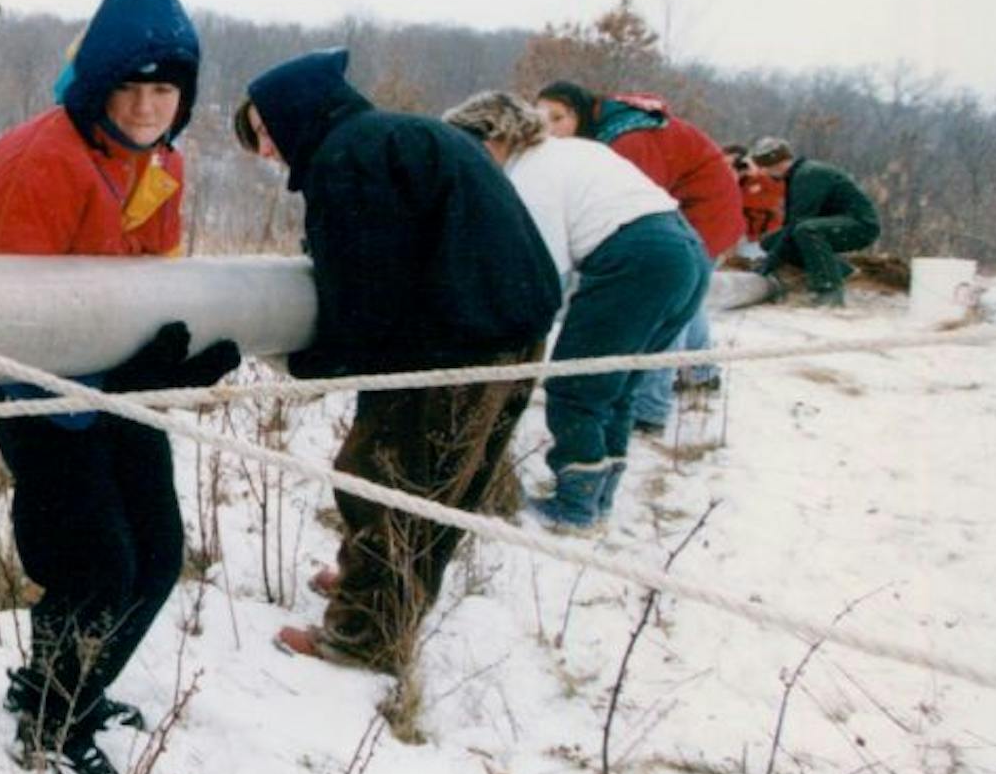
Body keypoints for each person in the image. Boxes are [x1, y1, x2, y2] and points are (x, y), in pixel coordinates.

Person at [0, 0, 238, 774]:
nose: (149, 106)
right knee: (97, 562)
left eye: (166, 89)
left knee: (158, 553)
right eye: (132, 87)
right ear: (99, 85)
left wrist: (167, 365)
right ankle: (51, 720)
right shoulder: (46, 162)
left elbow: (150, 284)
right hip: (38, 396)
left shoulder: (161, 167)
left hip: (115, 385)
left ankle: (72, 689)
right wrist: (91, 379)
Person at [230, 52, 560, 673]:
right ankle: (375, 590)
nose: (268, 151)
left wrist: (308, 365)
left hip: (454, 345)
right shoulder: (402, 133)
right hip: (514, 330)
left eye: (267, 131)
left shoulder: (346, 158)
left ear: (299, 112)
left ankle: (364, 636)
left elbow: (364, 291)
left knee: (388, 484)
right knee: (445, 490)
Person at [444, 92, 710, 531]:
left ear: (495, 136)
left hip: (637, 258)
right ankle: (599, 497)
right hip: (684, 250)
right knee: (618, 385)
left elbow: (542, 266)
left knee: (576, 385)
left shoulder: (530, 174)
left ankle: (575, 507)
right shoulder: (573, 151)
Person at [535, 83, 741, 434]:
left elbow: (638, 204)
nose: (550, 130)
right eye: (542, 120)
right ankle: (702, 373)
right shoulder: (614, 129)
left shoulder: (628, 142)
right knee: (686, 301)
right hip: (696, 215)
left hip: (698, 216)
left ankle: (650, 409)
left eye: (558, 118)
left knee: (660, 306)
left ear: (580, 113)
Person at [747, 137, 879, 307]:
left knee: (807, 230)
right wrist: (771, 256)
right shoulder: (796, 175)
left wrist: (768, 265)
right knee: (771, 241)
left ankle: (829, 291)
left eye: (763, 168)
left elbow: (797, 223)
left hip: (860, 225)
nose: (762, 173)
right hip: (835, 223)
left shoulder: (809, 174)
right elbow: (789, 228)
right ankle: (841, 270)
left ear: (773, 164)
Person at [726, 143, 787, 249]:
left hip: (762, 241)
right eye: (725, 165)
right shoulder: (715, 185)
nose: (732, 168)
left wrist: (758, 174)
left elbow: (777, 198)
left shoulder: (761, 183)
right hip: (734, 243)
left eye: (737, 164)